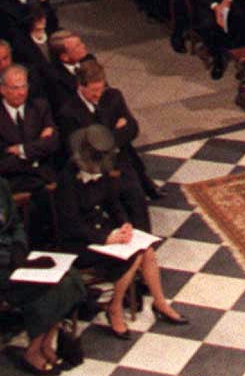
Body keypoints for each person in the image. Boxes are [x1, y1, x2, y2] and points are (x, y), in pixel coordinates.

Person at [0, 148, 88, 374]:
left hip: (16, 256)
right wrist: (12, 261)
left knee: (69, 278)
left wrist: (19, 248)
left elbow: (16, 223)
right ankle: (33, 350)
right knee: (43, 289)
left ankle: (47, 341)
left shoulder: (3, 187)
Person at [53, 124, 182, 335]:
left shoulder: (102, 172)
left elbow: (114, 204)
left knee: (146, 250)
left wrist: (124, 224)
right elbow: (72, 226)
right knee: (136, 255)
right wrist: (106, 237)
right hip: (80, 243)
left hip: (104, 235)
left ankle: (160, 303)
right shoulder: (67, 182)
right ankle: (115, 308)